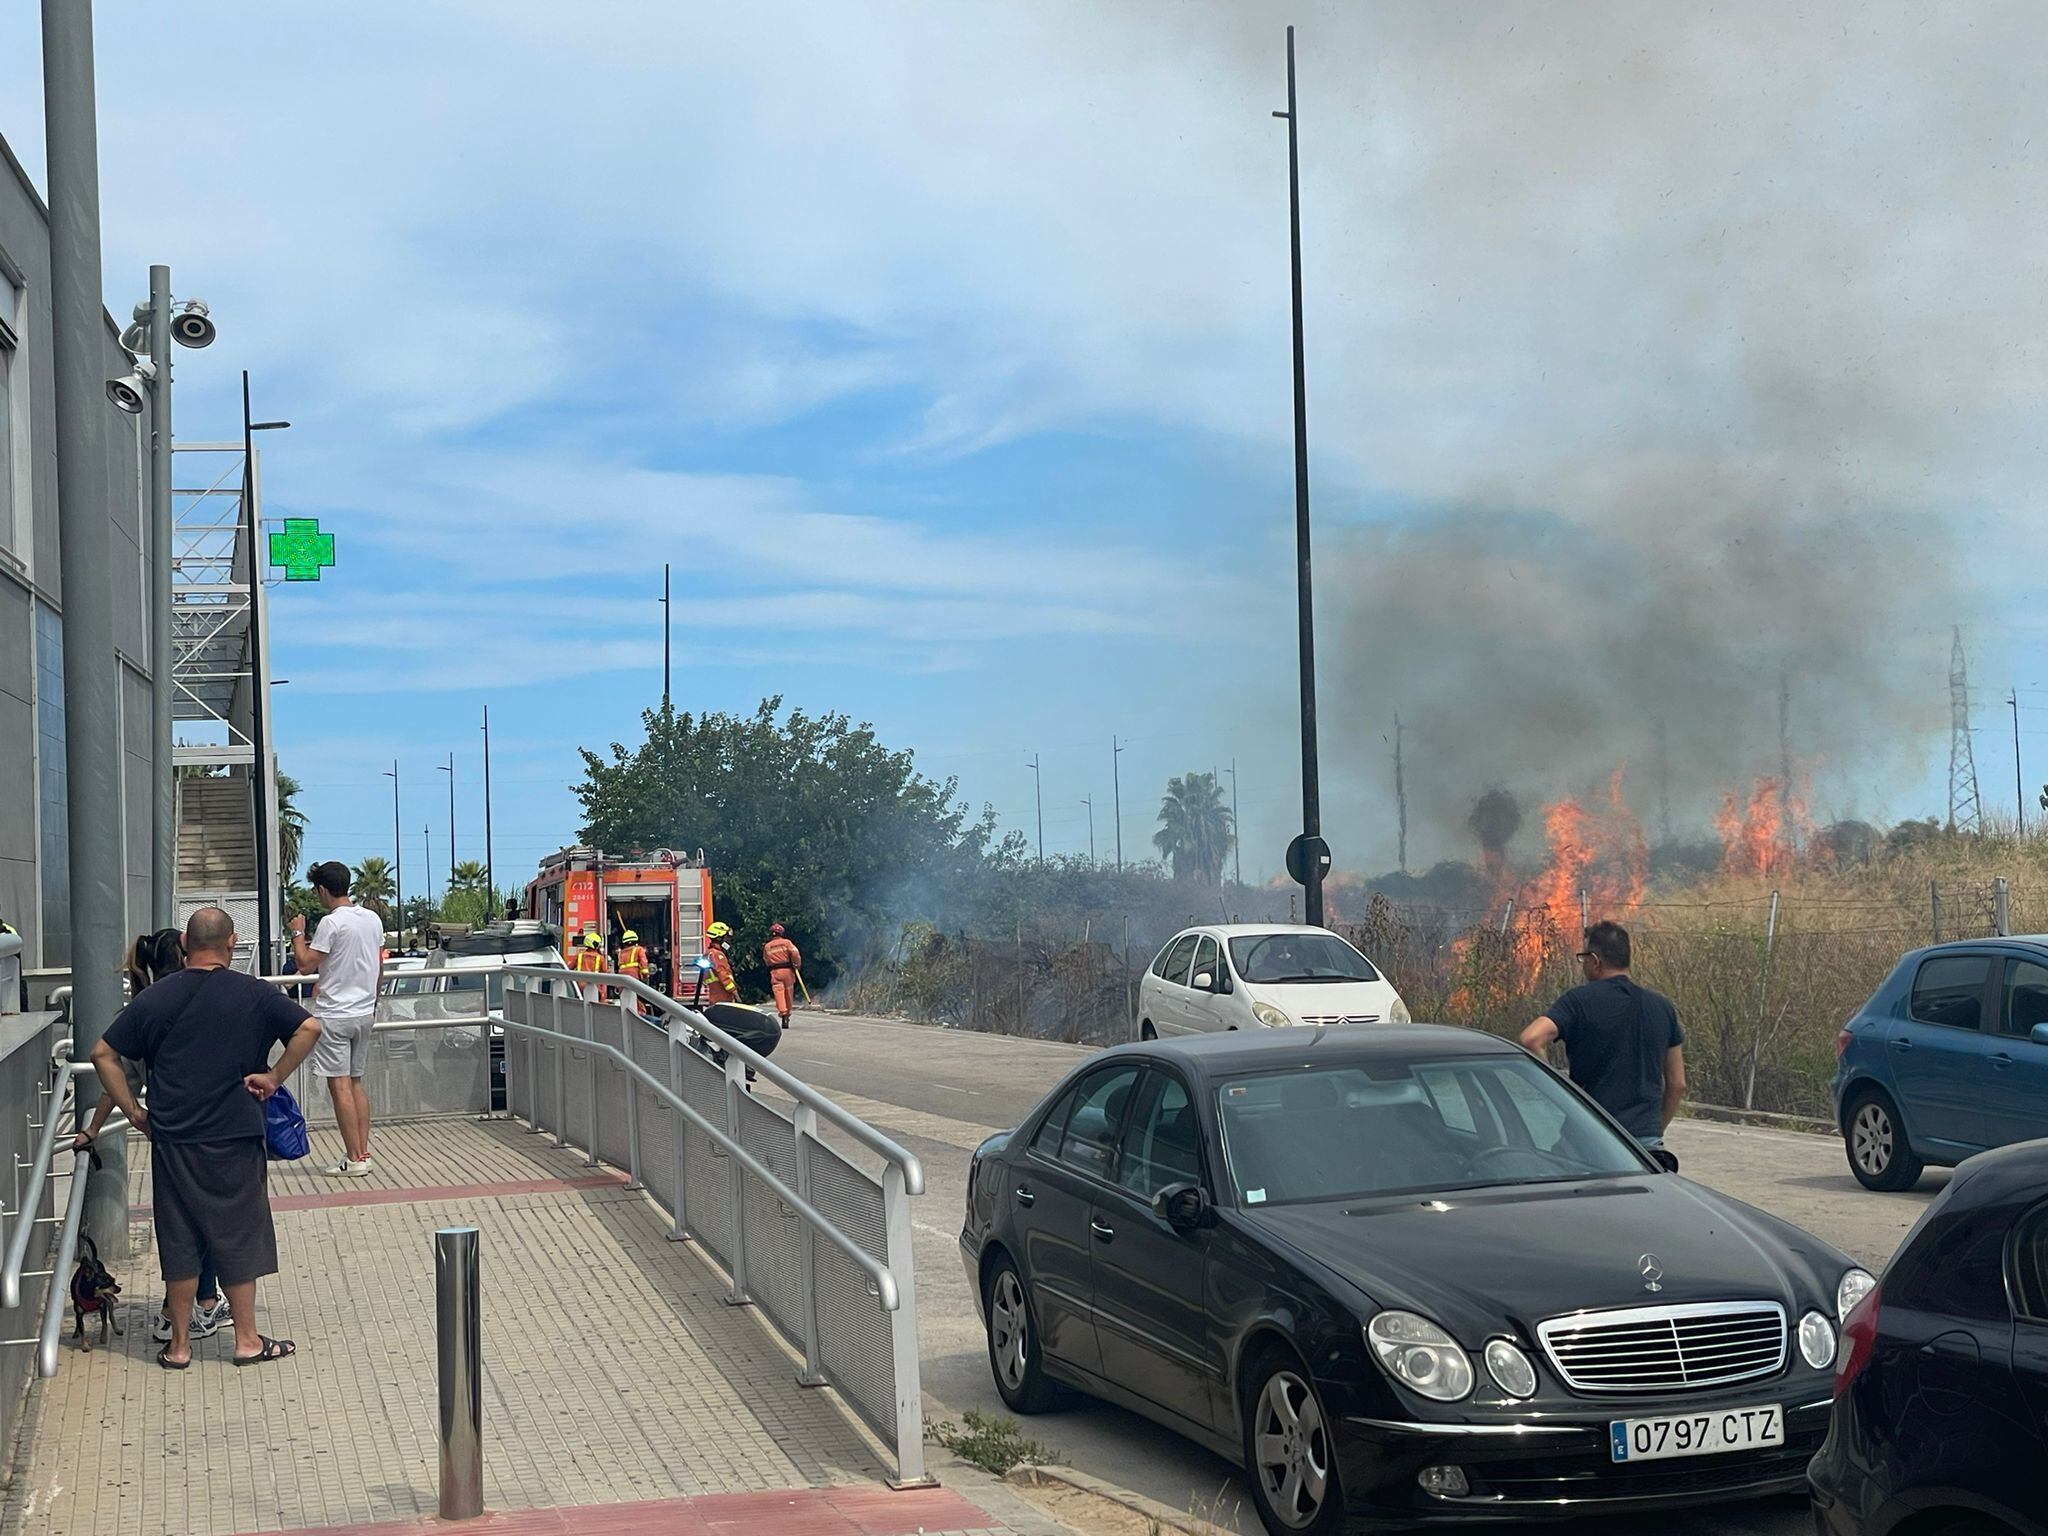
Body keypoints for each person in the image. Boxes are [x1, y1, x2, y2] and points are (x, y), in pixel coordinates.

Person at [90, 907, 322, 1368]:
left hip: (173, 1137)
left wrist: (134, 1111)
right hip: (235, 1132)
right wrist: (273, 1076)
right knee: (238, 1235)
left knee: (179, 1239)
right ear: (233, 943)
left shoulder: (154, 998)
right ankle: (247, 1341)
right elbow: (309, 1027)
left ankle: (178, 1348)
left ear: (183, 941)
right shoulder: (254, 994)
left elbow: (103, 1053)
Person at [75, 929, 234, 1343]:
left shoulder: (145, 1004)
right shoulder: (188, 999)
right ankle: (188, 1310)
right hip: (209, 1125)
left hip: (167, 1129)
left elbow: (115, 1072)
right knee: (210, 1220)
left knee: (182, 1222)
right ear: (184, 954)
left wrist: (115, 1119)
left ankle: (192, 1307)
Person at [1519, 920, 1687, 1149]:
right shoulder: (1662, 1007)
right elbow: (1677, 1084)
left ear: (1595, 960)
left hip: (1590, 1138)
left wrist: (1558, 1092)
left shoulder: (1578, 1001)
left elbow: (1531, 1038)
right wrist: (1654, 1130)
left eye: (1583, 958)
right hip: (1645, 1143)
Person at [288, 861, 385, 1177]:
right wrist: (373, 1001)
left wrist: (298, 932)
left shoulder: (331, 923)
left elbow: (304, 964)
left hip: (334, 1014)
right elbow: (377, 966)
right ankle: (363, 1153)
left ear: (322, 890)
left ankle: (354, 1158)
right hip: (363, 1010)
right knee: (356, 1083)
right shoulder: (371, 919)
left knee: (339, 1084)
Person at [762, 923, 803, 1030]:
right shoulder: (787, 943)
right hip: (788, 970)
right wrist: (797, 964)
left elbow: (766, 960)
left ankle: (783, 1013)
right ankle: (788, 1014)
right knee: (788, 992)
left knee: (778, 993)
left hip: (775, 971)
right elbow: (795, 954)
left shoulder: (767, 946)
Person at [699, 921, 740, 1007]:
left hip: (714, 995)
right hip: (722, 995)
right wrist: (735, 992)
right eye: (726, 937)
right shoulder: (717, 955)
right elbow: (723, 975)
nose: (728, 940)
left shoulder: (708, 953)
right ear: (719, 938)